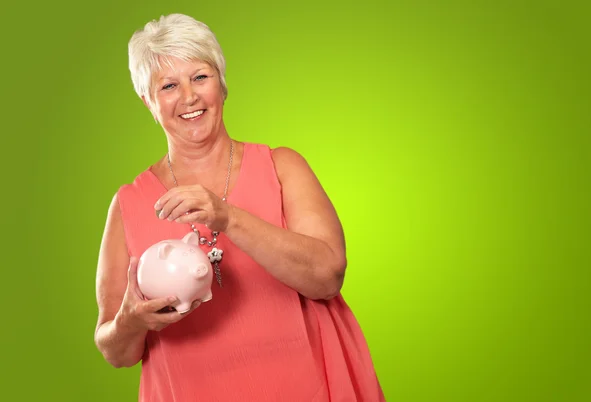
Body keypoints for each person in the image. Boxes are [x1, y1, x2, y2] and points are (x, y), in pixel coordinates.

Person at [94, 13, 385, 402]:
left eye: (200, 77)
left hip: (306, 387)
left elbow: (327, 276)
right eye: (168, 85)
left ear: (222, 85)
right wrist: (130, 322)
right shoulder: (128, 202)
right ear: (148, 101)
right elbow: (115, 350)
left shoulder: (283, 167)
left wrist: (228, 216)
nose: (189, 97)